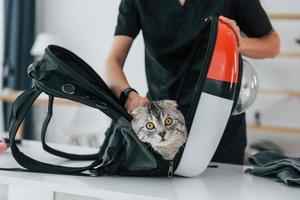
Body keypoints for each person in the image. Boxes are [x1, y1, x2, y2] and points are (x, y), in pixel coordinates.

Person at [104, 0, 280, 165]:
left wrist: (238, 44)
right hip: (161, 130)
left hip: (219, 127)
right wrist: (128, 95)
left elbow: (273, 44)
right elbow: (113, 61)